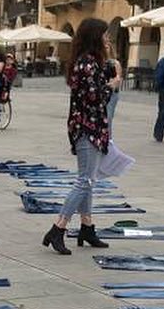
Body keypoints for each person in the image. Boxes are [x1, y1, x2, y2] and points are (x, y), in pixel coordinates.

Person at [42, 18, 113, 255]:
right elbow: (95, 98)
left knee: (88, 179)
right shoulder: (89, 64)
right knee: (85, 181)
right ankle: (58, 228)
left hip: (86, 126)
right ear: (95, 37)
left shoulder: (87, 62)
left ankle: (87, 226)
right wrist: (112, 85)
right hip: (88, 128)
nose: (107, 39)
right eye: (104, 35)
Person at [103, 33, 122, 131]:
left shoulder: (115, 63)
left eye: (107, 48)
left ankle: (108, 138)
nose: (105, 50)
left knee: (108, 117)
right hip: (100, 92)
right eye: (103, 48)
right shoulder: (98, 62)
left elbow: (118, 77)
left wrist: (112, 83)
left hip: (112, 93)